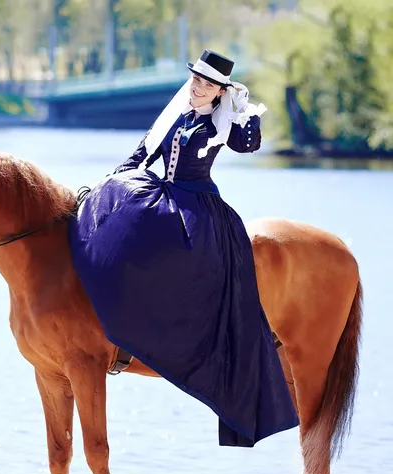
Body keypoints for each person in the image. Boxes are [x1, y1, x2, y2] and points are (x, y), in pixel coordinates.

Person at [68, 50, 299, 447]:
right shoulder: (177, 115)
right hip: (163, 192)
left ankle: (175, 327)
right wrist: (112, 182)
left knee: (180, 254)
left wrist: (247, 113)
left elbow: (250, 145)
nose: (197, 88)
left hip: (200, 202)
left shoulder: (224, 122)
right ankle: (112, 315)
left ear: (219, 92)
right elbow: (143, 154)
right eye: (195, 81)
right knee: (121, 223)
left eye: (206, 85)